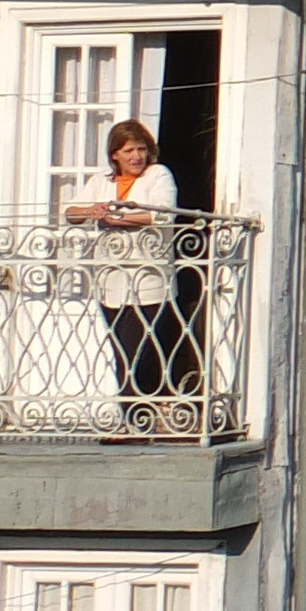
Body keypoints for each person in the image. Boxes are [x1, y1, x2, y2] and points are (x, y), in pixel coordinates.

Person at [64, 121, 194, 433]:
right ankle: (135, 417)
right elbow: (71, 213)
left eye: (141, 149)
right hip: (111, 278)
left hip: (148, 277)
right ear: (115, 155)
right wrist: (92, 210)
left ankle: (136, 418)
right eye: (129, 151)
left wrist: (117, 217)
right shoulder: (101, 181)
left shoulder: (158, 175)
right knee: (120, 347)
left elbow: (162, 213)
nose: (136, 156)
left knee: (137, 348)